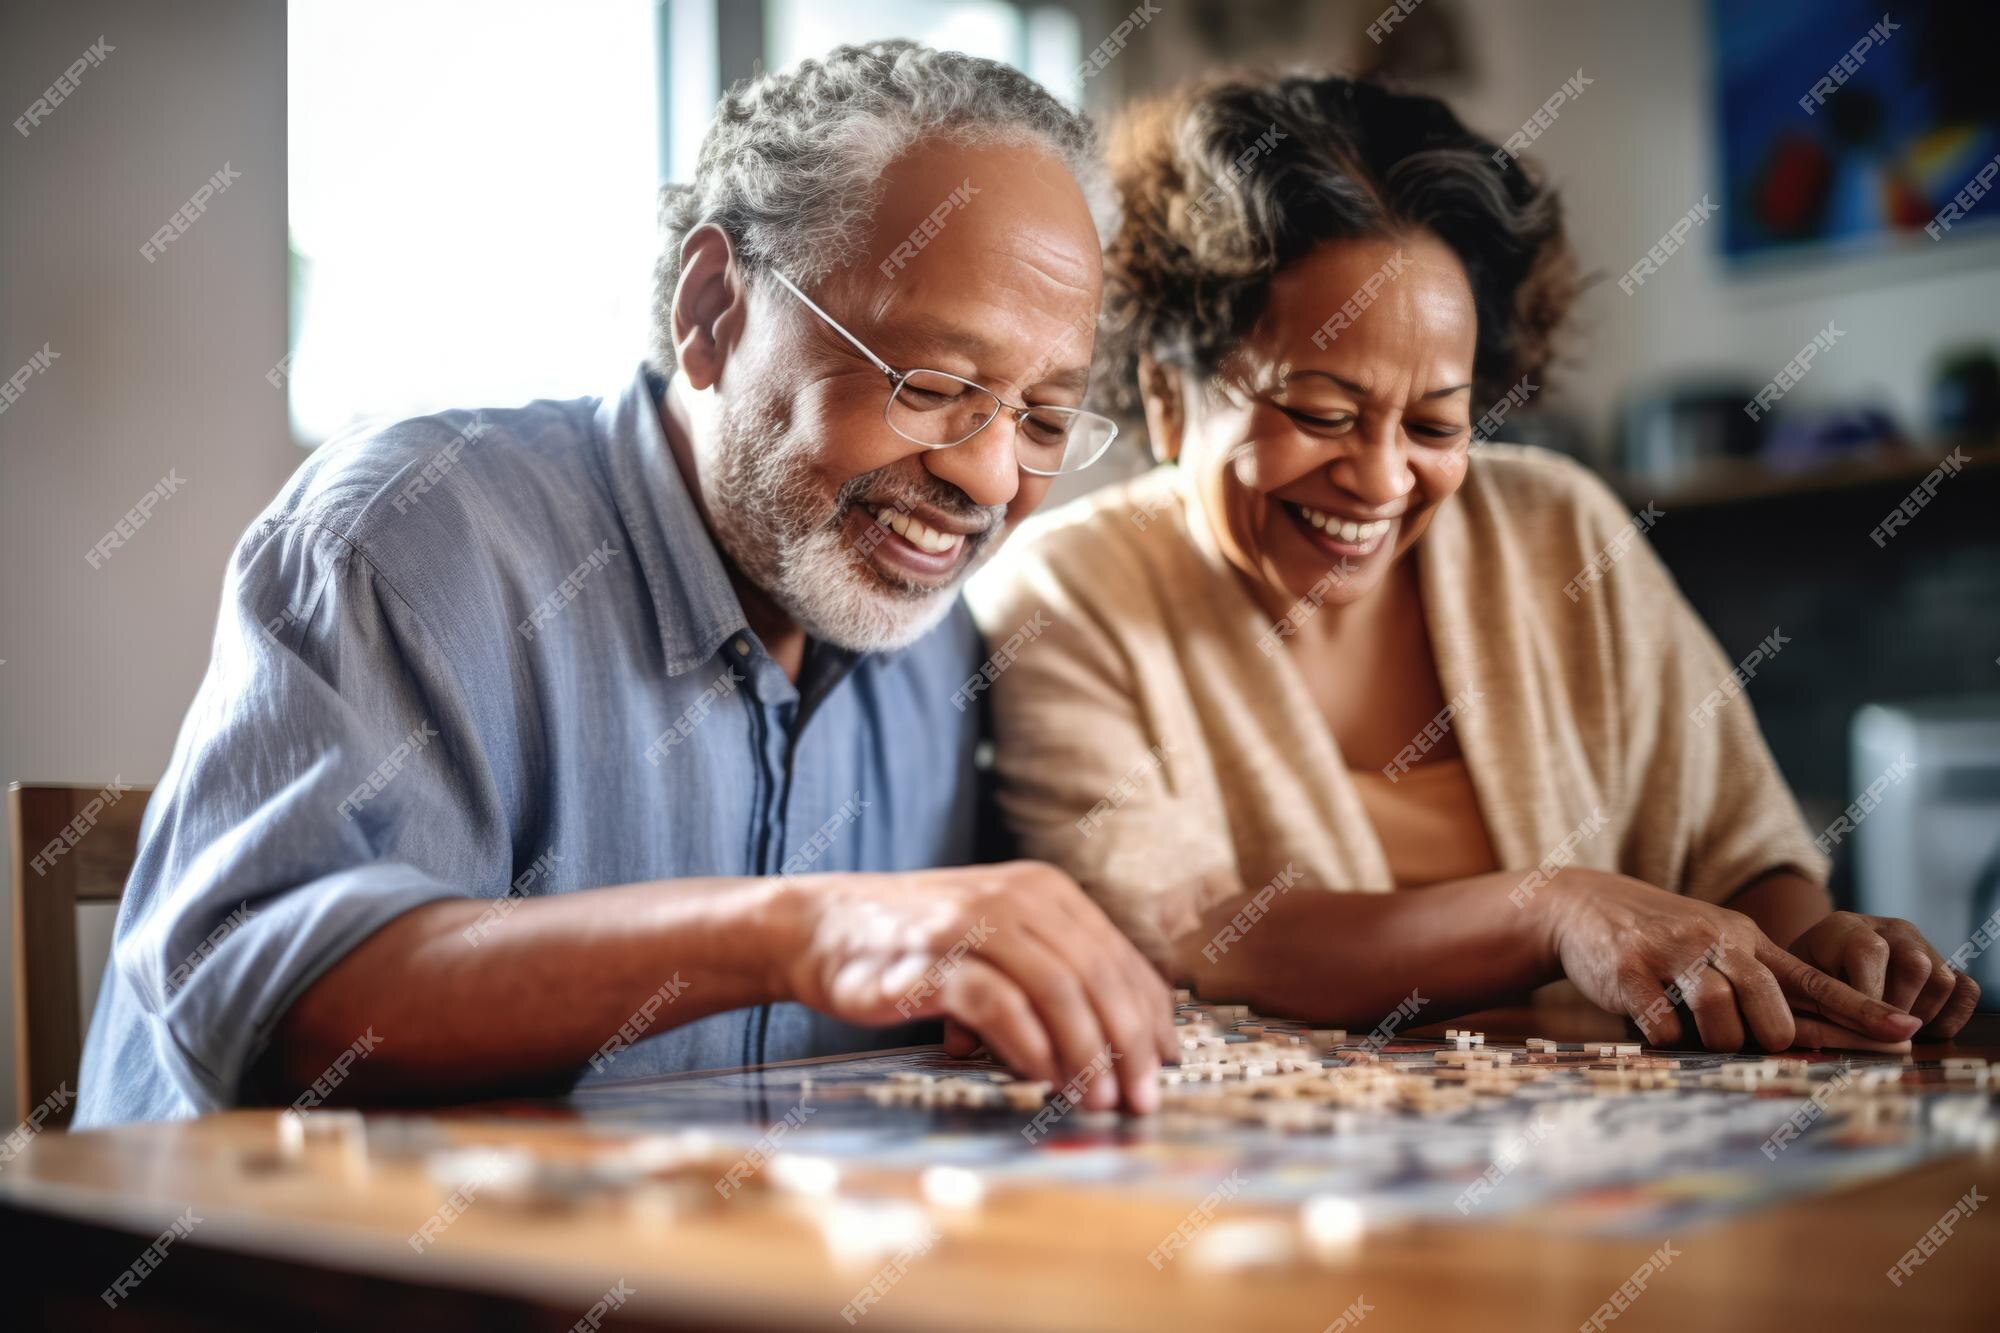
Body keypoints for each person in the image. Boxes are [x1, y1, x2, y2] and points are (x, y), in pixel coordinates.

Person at [75, 41, 1178, 1129]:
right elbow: (267, 1012)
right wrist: (802, 928)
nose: (988, 474)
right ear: (711, 311)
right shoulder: (414, 535)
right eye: (932, 384)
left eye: (1041, 418)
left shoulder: (933, 637)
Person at [968, 72, 1979, 1052]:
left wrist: (1810, 954)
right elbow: (1193, 934)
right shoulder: (1065, 593)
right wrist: (1548, 910)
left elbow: (1735, 848)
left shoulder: (1555, 527)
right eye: (1320, 413)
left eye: (1432, 423)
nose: (1377, 478)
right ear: (1164, 394)